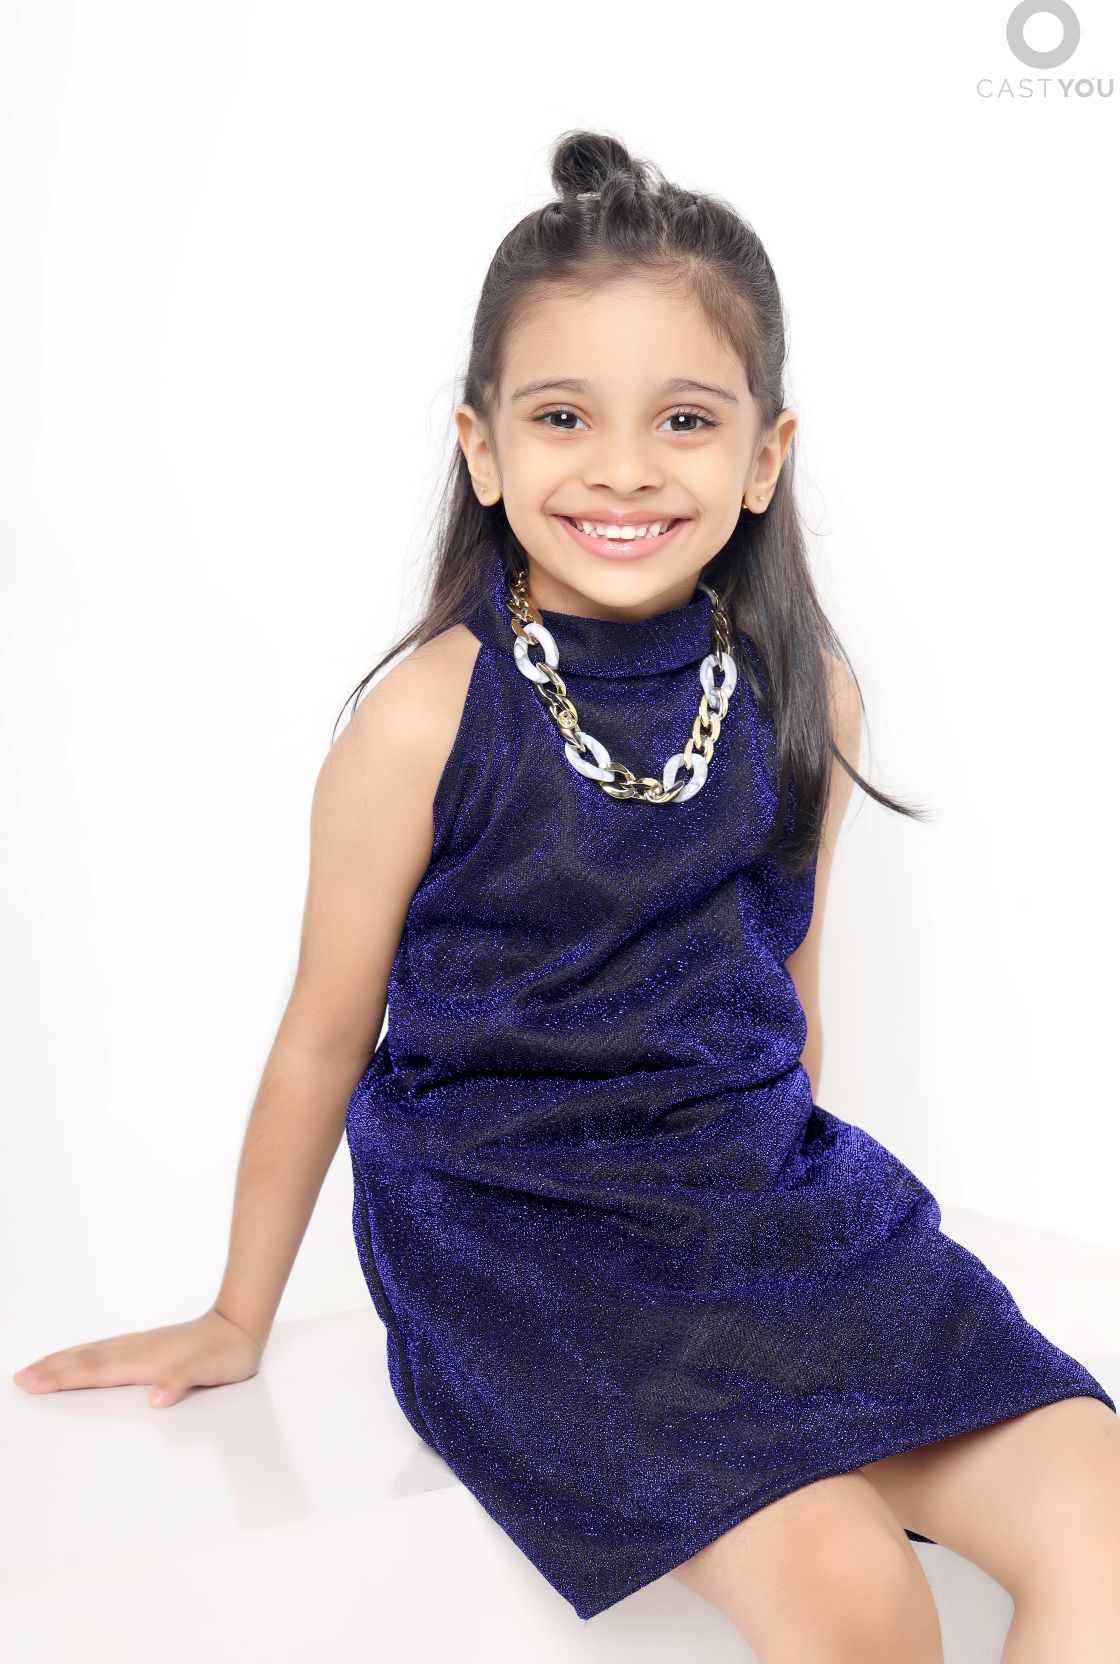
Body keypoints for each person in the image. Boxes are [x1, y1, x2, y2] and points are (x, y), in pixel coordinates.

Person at [13, 128, 1120, 1659]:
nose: (622, 467)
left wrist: (792, 1270)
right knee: (858, 1589)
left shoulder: (805, 694)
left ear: (765, 458)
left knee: (1102, 1528)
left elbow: (787, 996)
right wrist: (234, 1315)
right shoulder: (424, 720)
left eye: (685, 419)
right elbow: (324, 1040)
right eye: (561, 416)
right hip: (523, 1245)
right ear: (481, 448)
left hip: (756, 1207)